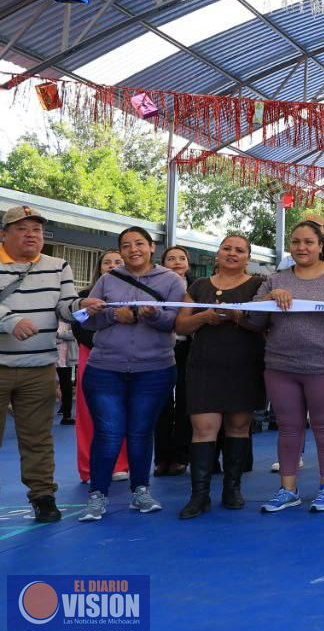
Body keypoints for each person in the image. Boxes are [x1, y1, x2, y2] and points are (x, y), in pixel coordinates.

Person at [249, 221, 324, 513]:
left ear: (321, 244)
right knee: (288, 429)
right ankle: (288, 490)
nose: (302, 247)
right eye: (296, 242)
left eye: (309, 242)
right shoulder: (275, 279)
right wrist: (267, 300)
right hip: (280, 366)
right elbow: (252, 319)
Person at [0, 205, 101, 523]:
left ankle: (43, 497)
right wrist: (9, 320)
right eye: (22, 228)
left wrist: (83, 306)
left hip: (40, 367)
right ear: (4, 234)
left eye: (37, 229)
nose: (31, 234)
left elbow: (65, 306)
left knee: (38, 437)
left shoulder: (59, 265)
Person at [77, 226, 186, 521]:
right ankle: (97, 495)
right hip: (104, 369)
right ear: (120, 251)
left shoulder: (171, 280)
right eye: (126, 245)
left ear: (152, 247)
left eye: (140, 243)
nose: (133, 249)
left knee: (140, 432)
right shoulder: (107, 279)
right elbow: (86, 323)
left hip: (154, 370)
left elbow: (174, 324)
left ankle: (141, 490)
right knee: (108, 433)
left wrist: (156, 316)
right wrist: (114, 314)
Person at [174, 234, 265, 518]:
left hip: (244, 364)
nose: (232, 253)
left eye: (239, 250)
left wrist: (239, 317)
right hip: (204, 365)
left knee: (239, 426)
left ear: (248, 257)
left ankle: (232, 488)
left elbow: (264, 322)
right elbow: (181, 325)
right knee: (203, 428)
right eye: (227, 248)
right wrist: (205, 317)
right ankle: (199, 495)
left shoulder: (259, 285)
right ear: (217, 254)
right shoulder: (198, 286)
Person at [72, 251, 129, 484]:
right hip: (92, 356)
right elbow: (79, 326)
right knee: (88, 413)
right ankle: (88, 467)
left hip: (127, 358)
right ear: (99, 268)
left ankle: (120, 464)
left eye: (118, 262)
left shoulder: (134, 296)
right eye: (107, 262)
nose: (112, 266)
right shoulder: (85, 296)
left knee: (123, 411)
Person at [152, 246, 192, 478]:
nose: (176, 262)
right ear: (162, 263)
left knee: (186, 403)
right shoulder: (155, 285)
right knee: (162, 404)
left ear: (188, 263)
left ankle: (180, 457)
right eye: (171, 258)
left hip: (189, 349)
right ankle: (161, 458)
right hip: (159, 348)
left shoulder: (198, 287)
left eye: (181, 258)